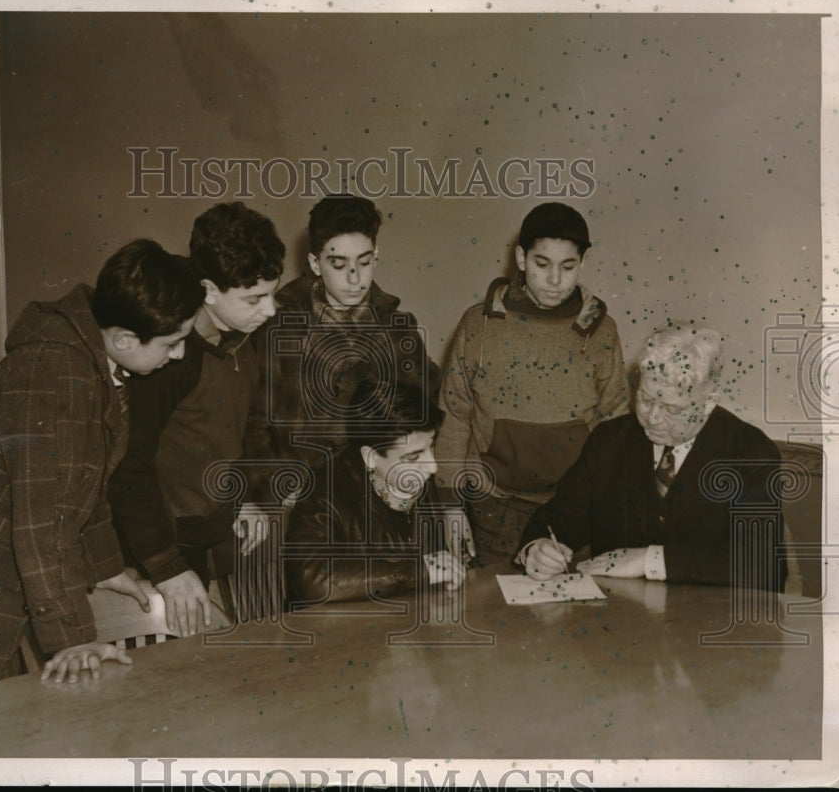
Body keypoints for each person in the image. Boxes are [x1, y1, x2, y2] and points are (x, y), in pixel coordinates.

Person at [0, 239, 204, 688]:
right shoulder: (56, 374)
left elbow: (84, 489)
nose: (180, 354)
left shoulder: (94, 364)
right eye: (173, 343)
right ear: (124, 339)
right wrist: (72, 639)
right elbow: (44, 521)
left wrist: (107, 566)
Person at [108, 201, 285, 638]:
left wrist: (244, 495)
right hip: (161, 544)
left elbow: (246, 427)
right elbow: (129, 465)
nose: (271, 310)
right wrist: (165, 566)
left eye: (272, 293)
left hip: (215, 525)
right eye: (255, 298)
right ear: (207, 290)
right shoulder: (167, 356)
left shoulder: (247, 335)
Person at [517, 327, 788, 592]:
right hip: (615, 622)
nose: (653, 418)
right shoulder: (610, 440)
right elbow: (559, 519)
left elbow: (765, 567)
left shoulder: (749, 452)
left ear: (708, 403)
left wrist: (650, 560)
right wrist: (538, 548)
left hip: (703, 628)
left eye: (672, 408)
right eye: (645, 400)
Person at [436, 201, 629, 564]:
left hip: (573, 510)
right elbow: (455, 416)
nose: (555, 280)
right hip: (494, 505)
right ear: (521, 259)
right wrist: (449, 506)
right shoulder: (478, 325)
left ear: (582, 265)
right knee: (496, 612)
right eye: (542, 265)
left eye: (568, 267)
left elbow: (614, 424)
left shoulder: (603, 331)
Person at [242, 194, 439, 510]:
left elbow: (420, 427)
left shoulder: (398, 330)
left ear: (376, 256)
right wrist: (268, 487)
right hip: (295, 500)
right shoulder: (278, 329)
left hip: (372, 502)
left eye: (364, 262)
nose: (354, 278)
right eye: (338, 264)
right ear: (314, 263)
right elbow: (254, 422)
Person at [285, 379, 465, 607]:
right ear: (370, 457)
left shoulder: (412, 481)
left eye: (432, 447)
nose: (432, 467)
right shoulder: (323, 493)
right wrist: (416, 571)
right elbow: (313, 581)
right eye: (413, 456)